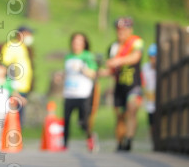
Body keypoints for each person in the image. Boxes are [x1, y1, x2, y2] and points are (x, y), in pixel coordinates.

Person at [100, 17, 144, 152]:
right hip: (119, 86)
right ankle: (120, 141)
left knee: (131, 110)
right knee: (119, 116)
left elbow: (135, 57)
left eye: (124, 30)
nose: (121, 32)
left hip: (133, 85)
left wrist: (118, 61)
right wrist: (100, 72)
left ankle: (129, 139)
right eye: (119, 30)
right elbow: (111, 70)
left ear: (130, 30)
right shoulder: (113, 47)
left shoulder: (136, 42)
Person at [62, 32, 98, 152]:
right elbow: (67, 73)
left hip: (83, 94)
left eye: (79, 42)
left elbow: (93, 73)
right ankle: (64, 144)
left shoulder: (88, 56)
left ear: (84, 43)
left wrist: (82, 68)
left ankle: (90, 138)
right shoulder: (68, 57)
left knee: (83, 122)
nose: (76, 44)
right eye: (75, 41)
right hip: (69, 93)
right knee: (66, 119)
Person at [0, 25, 34, 129]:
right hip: (14, 88)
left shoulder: (23, 47)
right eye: (28, 34)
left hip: (23, 88)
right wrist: (13, 86)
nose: (30, 37)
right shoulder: (12, 46)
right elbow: (6, 66)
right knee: (11, 117)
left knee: (19, 118)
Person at [143, 43, 157, 149]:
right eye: (151, 57)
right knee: (152, 124)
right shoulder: (145, 68)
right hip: (150, 101)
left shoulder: (162, 67)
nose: (153, 60)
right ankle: (154, 143)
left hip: (160, 100)